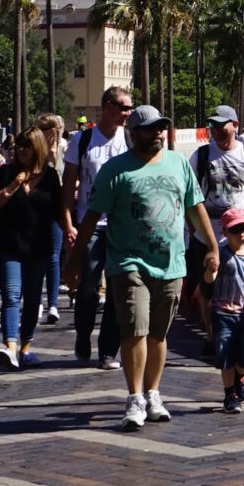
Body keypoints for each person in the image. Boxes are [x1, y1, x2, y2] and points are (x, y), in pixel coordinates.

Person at [80, 103, 215, 430]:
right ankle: (134, 397)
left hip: (171, 263)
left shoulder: (178, 164)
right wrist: (75, 261)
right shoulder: (116, 170)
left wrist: (212, 246)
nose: (158, 133)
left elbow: (194, 208)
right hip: (128, 264)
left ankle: (153, 393)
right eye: (151, 128)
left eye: (161, 127)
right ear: (134, 133)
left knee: (157, 333)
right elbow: (92, 217)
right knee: (134, 330)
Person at [0, 127, 71, 369]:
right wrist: (14, 185)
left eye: (27, 145)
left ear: (38, 148)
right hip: (11, 245)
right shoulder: (6, 172)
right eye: (19, 145)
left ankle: (26, 347)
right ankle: (10, 346)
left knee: (33, 299)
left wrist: (70, 235)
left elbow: (59, 210)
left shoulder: (50, 176)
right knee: (12, 296)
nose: (22, 150)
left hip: (39, 246)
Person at [185, 106, 244, 341]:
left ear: (235, 124)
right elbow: (189, 197)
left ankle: (241, 333)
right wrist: (193, 232)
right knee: (208, 289)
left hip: (241, 234)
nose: (216, 131)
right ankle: (212, 336)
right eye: (213, 126)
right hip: (206, 234)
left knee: (242, 287)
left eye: (221, 125)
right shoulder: (200, 156)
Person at [65, 88, 130, 370]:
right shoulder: (82, 141)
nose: (128, 113)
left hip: (120, 225)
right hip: (88, 223)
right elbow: (68, 187)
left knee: (117, 288)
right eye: (123, 107)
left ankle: (108, 350)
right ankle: (83, 334)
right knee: (88, 287)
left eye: (130, 108)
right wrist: (68, 223)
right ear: (107, 106)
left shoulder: (129, 140)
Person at [209, 207, 244, 414]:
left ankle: (239, 378)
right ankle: (229, 394)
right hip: (222, 312)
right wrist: (210, 269)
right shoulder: (221, 254)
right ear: (225, 232)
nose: (241, 233)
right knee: (225, 355)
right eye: (236, 230)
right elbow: (209, 281)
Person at [36, 113, 68, 323]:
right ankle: (36, 301)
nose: (53, 135)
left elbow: (61, 179)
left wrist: (54, 155)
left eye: (55, 130)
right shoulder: (33, 151)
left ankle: (53, 305)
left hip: (56, 210)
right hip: (35, 210)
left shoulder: (63, 150)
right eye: (49, 130)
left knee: (54, 257)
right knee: (37, 258)